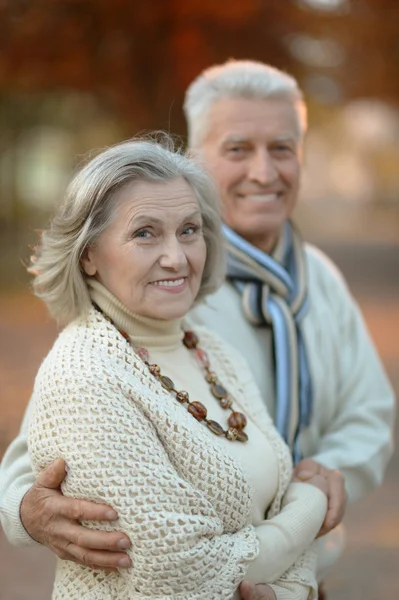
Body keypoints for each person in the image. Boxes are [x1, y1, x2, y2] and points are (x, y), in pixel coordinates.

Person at [0, 61, 395, 590]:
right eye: (237, 149)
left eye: (281, 148)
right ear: (196, 157)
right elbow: (51, 438)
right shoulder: (143, 301)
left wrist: (323, 480)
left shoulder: (320, 280)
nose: (263, 171)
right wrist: (23, 510)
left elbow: (368, 411)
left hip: (307, 572)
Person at [8, 137, 330, 599]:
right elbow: (180, 570)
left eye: (189, 230)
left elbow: (269, 509)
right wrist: (310, 505)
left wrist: (289, 591)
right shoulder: (84, 375)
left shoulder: (213, 351)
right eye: (145, 233)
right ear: (88, 254)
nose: (176, 257)